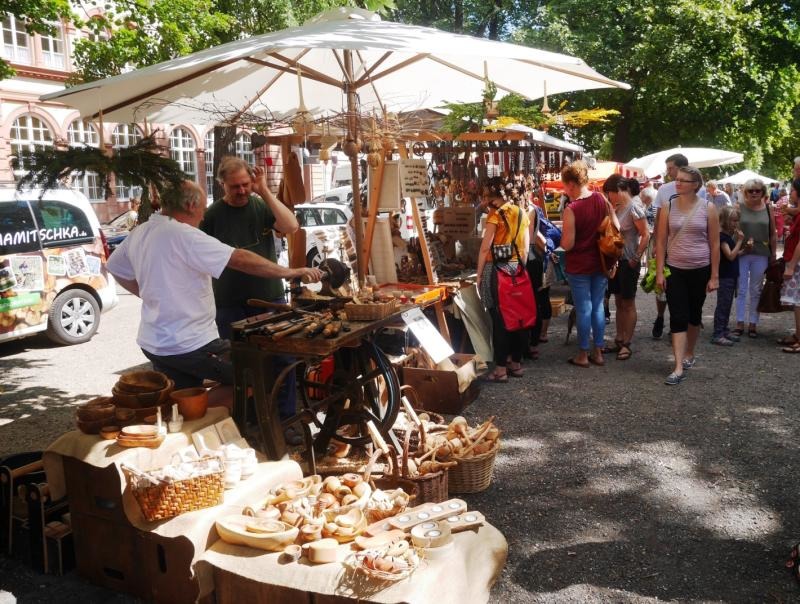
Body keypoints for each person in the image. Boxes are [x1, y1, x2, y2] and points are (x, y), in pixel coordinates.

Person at [107, 180, 322, 390]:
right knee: (257, 375)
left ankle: (194, 416)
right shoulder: (184, 235)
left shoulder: (142, 231)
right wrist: (291, 271)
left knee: (185, 394)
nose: (202, 216)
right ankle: (215, 418)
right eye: (202, 209)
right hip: (191, 343)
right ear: (191, 206)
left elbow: (115, 267)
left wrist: (147, 293)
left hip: (155, 343)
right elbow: (239, 258)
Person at [200, 157, 303, 441]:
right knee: (239, 368)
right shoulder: (212, 216)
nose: (242, 191)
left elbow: (291, 226)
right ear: (222, 184)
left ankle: (286, 419)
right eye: (235, 187)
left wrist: (265, 191)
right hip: (230, 304)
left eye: (246, 184)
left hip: (270, 300)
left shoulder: (260, 205)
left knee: (283, 360)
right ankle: (248, 422)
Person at [655, 166, 720, 385]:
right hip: (675, 270)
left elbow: (714, 243)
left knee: (694, 315)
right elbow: (661, 241)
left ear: (695, 185)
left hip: (700, 269)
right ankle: (678, 366)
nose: (678, 183)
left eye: (683, 180)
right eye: (677, 179)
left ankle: (690, 352)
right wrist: (659, 273)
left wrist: (714, 276)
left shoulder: (708, 208)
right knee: (678, 316)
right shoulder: (668, 206)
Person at [560, 160, 617, 368]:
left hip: (579, 265)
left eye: (565, 186)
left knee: (583, 308)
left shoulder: (572, 209)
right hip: (600, 262)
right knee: (598, 307)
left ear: (572, 185)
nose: (565, 190)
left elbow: (567, 244)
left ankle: (583, 355)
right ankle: (598, 352)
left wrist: (559, 238)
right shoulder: (601, 199)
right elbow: (615, 227)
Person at [476, 177, 530, 382]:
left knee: (499, 319)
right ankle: (515, 363)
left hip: (495, 270)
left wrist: (479, 274)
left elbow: (484, 247)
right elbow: (525, 248)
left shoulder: (495, 215)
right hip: (516, 269)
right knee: (517, 317)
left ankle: (500, 368)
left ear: (492, 196)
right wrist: (518, 268)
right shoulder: (522, 212)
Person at [601, 175, 649, 360]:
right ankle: (619, 339)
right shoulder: (617, 207)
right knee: (619, 302)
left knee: (628, 303)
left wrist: (636, 258)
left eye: (610, 193)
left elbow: (645, 234)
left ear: (619, 191)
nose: (609, 196)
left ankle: (627, 344)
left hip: (628, 261)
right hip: (617, 261)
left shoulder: (634, 207)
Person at [651, 153, 689, 339]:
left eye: (670, 168)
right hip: (667, 242)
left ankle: (678, 323)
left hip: (687, 245)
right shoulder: (664, 189)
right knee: (662, 284)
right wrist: (657, 245)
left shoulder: (699, 189)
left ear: (682, 168)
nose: (668, 172)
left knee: (681, 285)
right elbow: (659, 219)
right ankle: (660, 316)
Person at [732, 178, 776, 338]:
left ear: (763, 192)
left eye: (758, 190)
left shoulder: (768, 208)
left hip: (761, 252)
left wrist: (773, 254)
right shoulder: (739, 207)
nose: (755, 193)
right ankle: (739, 322)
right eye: (751, 190)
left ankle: (753, 323)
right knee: (742, 288)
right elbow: (732, 229)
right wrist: (739, 242)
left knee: (756, 289)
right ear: (745, 193)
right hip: (742, 252)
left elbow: (773, 233)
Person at [712, 206, 745, 345]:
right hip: (725, 276)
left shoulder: (727, 237)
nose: (735, 224)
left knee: (727, 304)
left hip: (731, 275)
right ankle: (718, 333)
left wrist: (744, 250)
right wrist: (739, 241)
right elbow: (730, 256)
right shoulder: (722, 237)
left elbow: (734, 254)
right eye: (733, 221)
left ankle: (724, 330)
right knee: (723, 304)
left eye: (737, 221)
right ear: (725, 221)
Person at [778, 178, 800, 351]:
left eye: (792, 190)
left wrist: (791, 265)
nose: (790, 192)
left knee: (799, 302)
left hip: (798, 263)